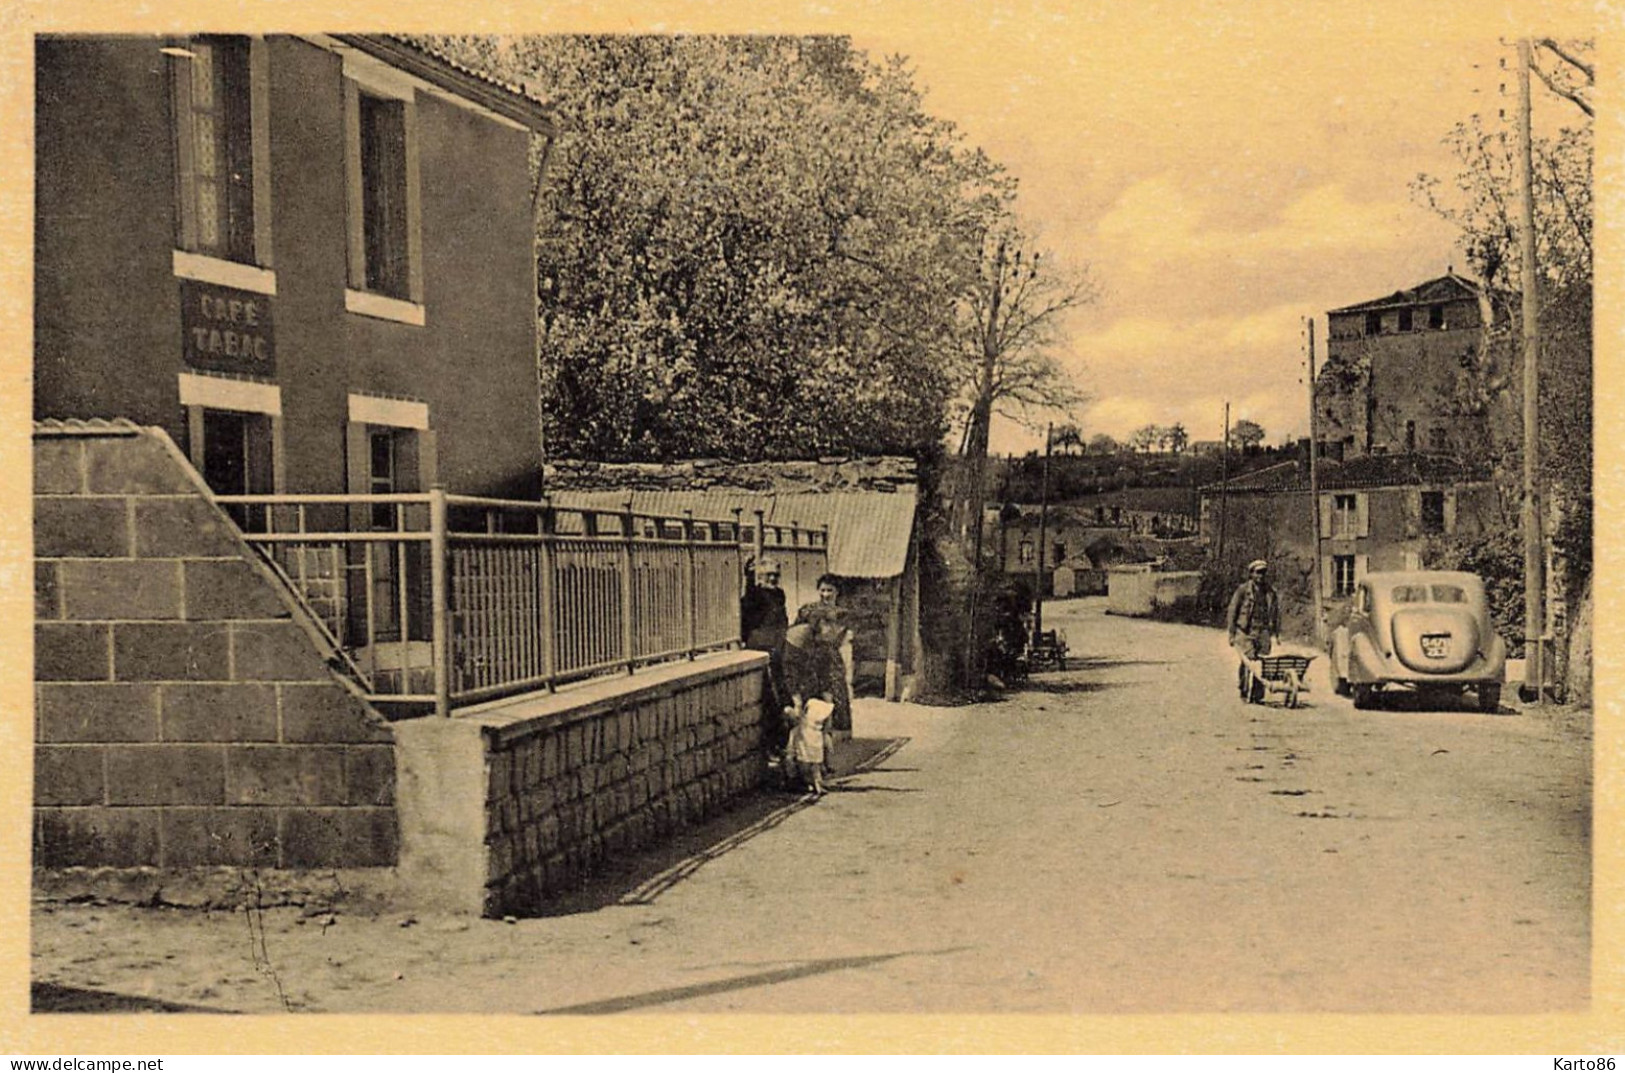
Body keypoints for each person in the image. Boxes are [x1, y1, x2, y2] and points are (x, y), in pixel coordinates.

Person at [793, 574, 853, 754]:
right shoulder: (807, 611)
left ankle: (826, 755)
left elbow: (844, 641)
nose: (825, 594)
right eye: (823, 590)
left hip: (832, 662)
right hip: (811, 661)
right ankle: (811, 753)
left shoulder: (842, 615)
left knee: (832, 705)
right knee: (812, 707)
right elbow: (797, 632)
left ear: (837, 592)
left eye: (830, 590)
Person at [741, 558, 791, 771]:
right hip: (761, 649)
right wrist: (749, 576)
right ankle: (773, 746)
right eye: (767, 575)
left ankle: (782, 746)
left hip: (778, 650)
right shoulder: (755, 596)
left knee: (784, 697)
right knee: (772, 700)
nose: (772, 578)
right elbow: (750, 596)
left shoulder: (779, 595)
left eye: (775, 575)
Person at [1226, 559, 1281, 702]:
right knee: (1248, 661)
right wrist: (1231, 634)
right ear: (1251, 574)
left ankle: (1257, 694)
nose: (1260, 576)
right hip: (1246, 631)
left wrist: (1276, 633)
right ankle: (1244, 690)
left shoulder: (1270, 592)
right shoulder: (1243, 590)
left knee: (1262, 662)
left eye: (1263, 573)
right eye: (1258, 573)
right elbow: (1232, 611)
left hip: (1263, 631)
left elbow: (1275, 614)